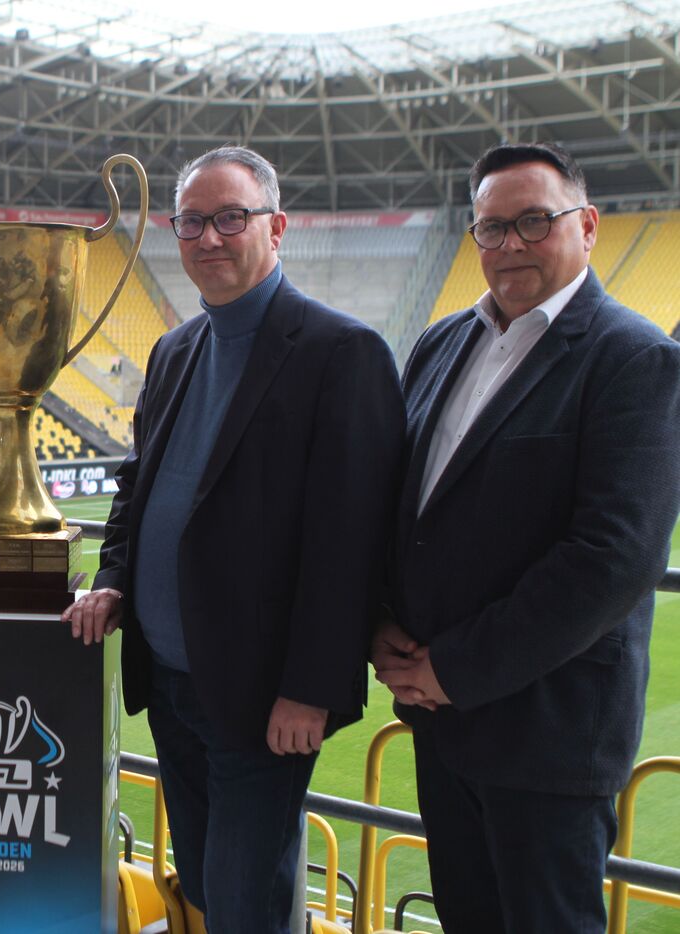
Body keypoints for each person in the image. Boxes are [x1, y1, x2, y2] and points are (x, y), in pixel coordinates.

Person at [63, 145, 404, 933]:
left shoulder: (341, 352)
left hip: (262, 697)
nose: (208, 237)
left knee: (248, 902)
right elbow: (136, 489)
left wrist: (313, 687)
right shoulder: (175, 348)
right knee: (209, 888)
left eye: (230, 218)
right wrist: (113, 579)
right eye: (191, 222)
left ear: (276, 228)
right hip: (170, 684)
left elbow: (351, 541)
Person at [373, 142, 680, 933]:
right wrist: (382, 624)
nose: (510, 244)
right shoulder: (441, 342)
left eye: (535, 222)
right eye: (491, 228)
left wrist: (453, 668)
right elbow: (398, 506)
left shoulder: (635, 357)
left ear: (588, 226)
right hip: (443, 724)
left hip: (548, 738)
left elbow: (614, 559)